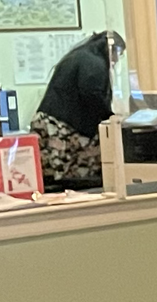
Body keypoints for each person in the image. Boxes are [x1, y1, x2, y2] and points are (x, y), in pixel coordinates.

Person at [33, 29, 124, 188]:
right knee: (74, 180)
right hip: (63, 128)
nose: (116, 60)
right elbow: (92, 95)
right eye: (118, 54)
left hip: (49, 123)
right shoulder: (95, 62)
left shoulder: (79, 55)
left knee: (52, 179)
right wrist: (111, 117)